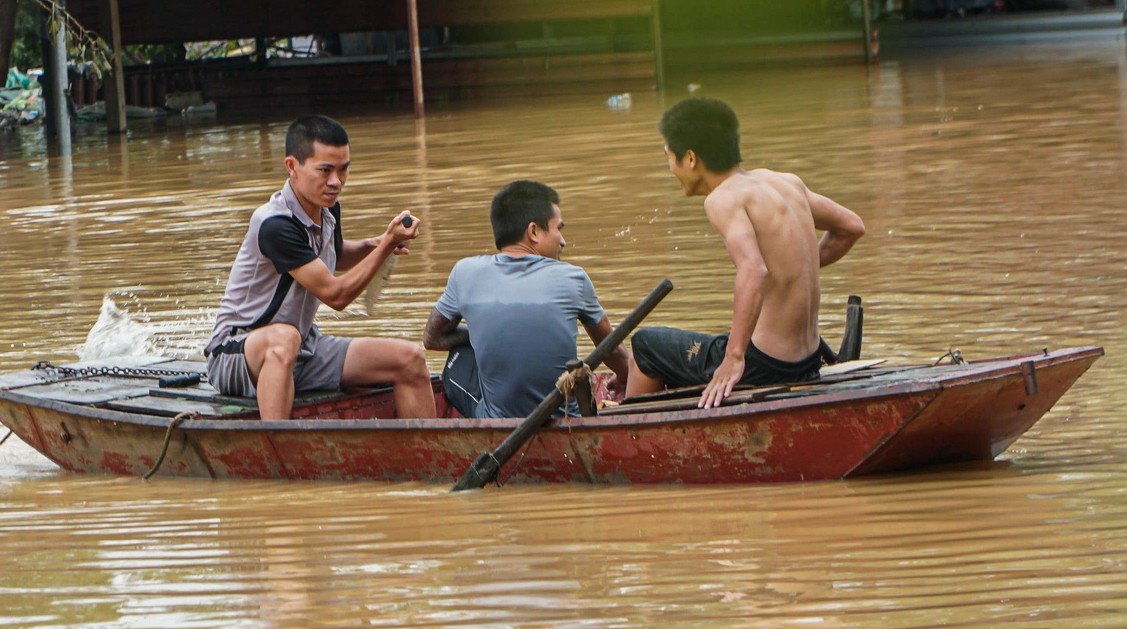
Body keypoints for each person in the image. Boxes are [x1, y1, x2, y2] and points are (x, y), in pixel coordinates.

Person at [626, 97, 866, 409]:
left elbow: (753, 270)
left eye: (669, 158)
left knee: (644, 347)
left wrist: (734, 358)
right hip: (808, 358)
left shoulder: (722, 199)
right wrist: (797, 266)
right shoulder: (786, 183)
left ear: (690, 158)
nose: (671, 168)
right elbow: (852, 226)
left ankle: (631, 433)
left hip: (766, 364)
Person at [204, 114, 435, 421]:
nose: (336, 182)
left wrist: (381, 242)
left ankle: (429, 463)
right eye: (325, 170)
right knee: (283, 338)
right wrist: (384, 247)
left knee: (410, 359)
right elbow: (336, 295)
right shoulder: (275, 224)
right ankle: (278, 458)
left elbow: (334, 254)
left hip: (302, 347)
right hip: (237, 355)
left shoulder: (327, 207)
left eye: (343, 170)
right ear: (292, 167)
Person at [422, 180, 626, 419]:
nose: (563, 241)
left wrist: (480, 333)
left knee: (460, 357)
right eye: (558, 229)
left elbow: (432, 338)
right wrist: (625, 373)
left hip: (499, 422)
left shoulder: (464, 272)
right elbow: (613, 352)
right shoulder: (574, 278)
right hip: (564, 419)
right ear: (533, 232)